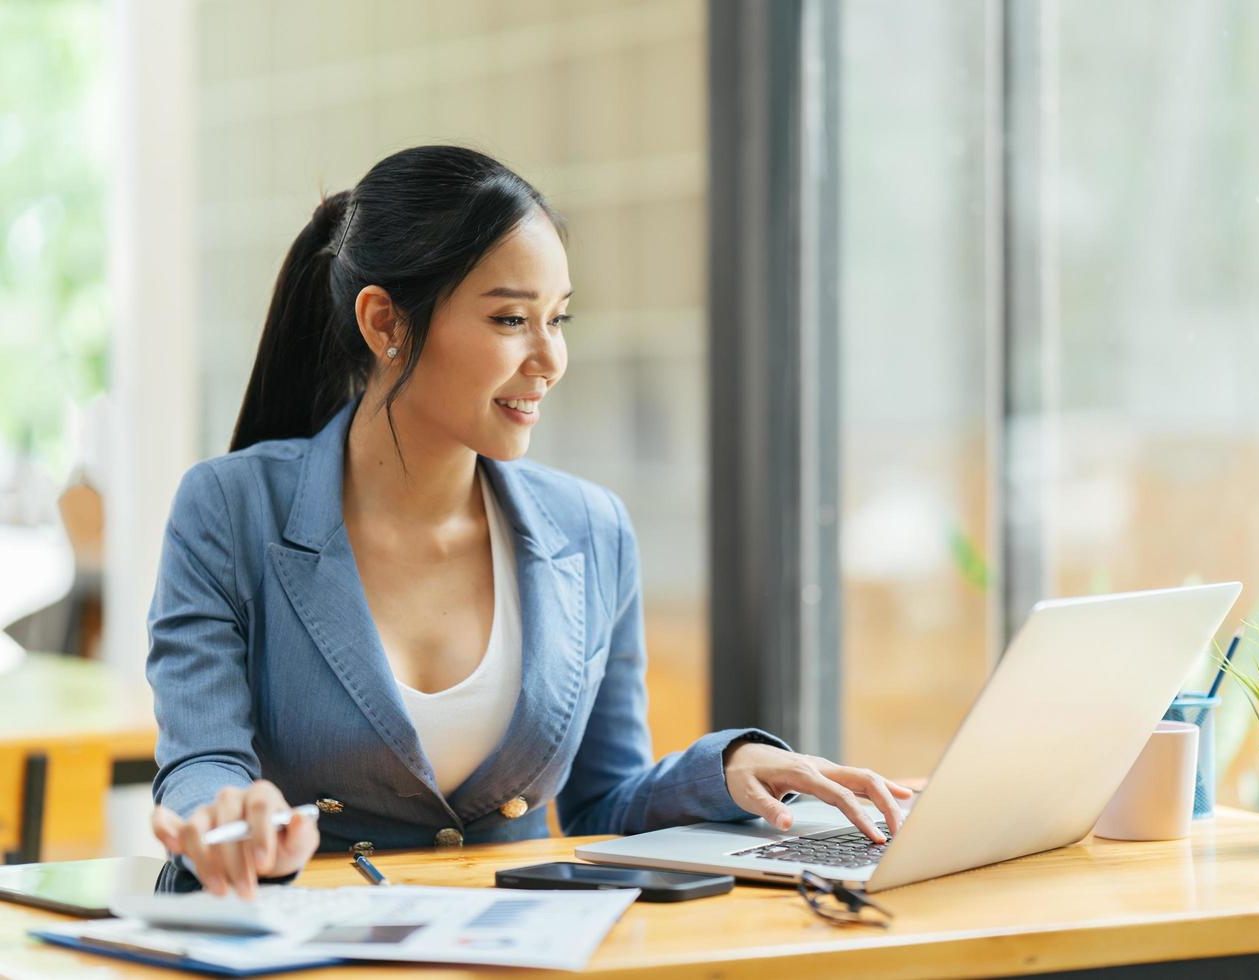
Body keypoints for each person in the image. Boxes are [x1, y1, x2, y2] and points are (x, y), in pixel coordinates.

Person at [146, 145, 912, 898]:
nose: (551, 358)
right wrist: (225, 817)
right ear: (387, 323)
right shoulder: (229, 508)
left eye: (559, 318)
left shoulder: (591, 528)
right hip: (302, 948)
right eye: (512, 318)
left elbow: (601, 802)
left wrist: (725, 769)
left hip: (523, 950)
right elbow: (200, 764)